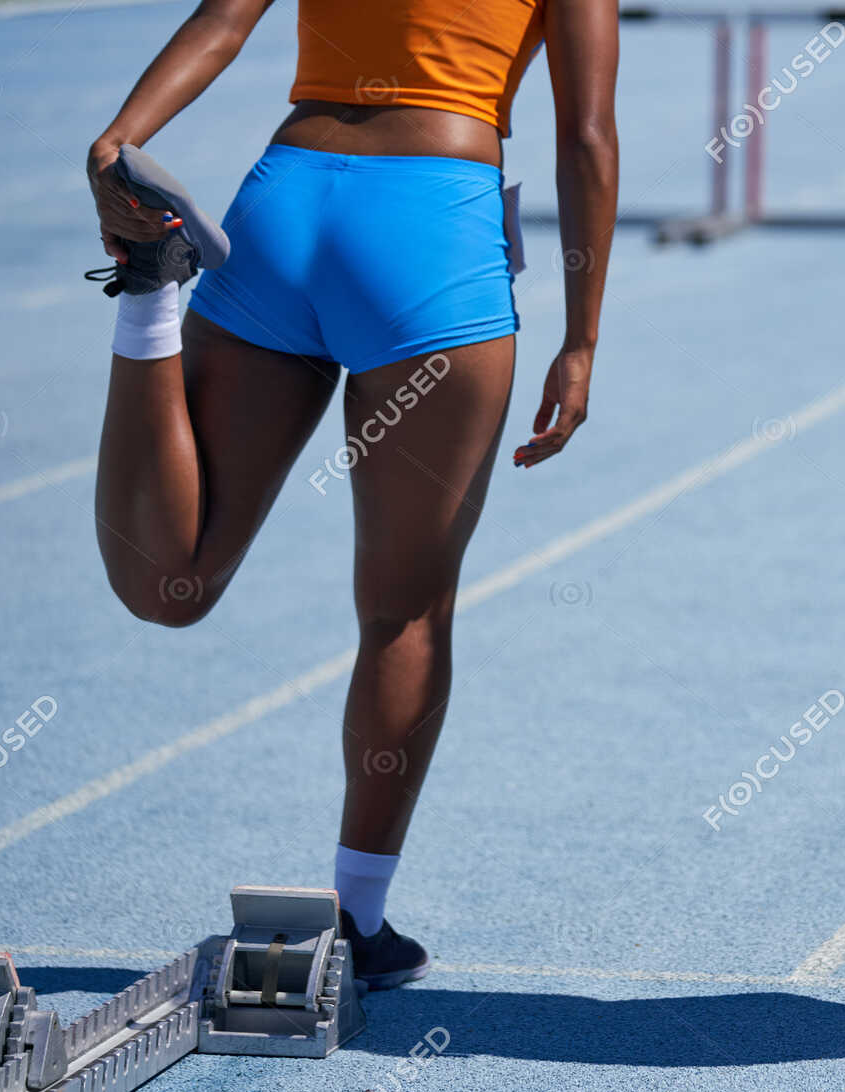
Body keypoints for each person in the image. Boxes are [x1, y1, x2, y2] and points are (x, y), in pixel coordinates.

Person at [85, 0, 618, 987]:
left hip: (283, 205)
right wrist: (582, 336)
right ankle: (357, 922)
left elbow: (224, 19)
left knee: (169, 587)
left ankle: (151, 297)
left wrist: (122, 137)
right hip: (430, 231)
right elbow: (585, 132)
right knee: (403, 610)